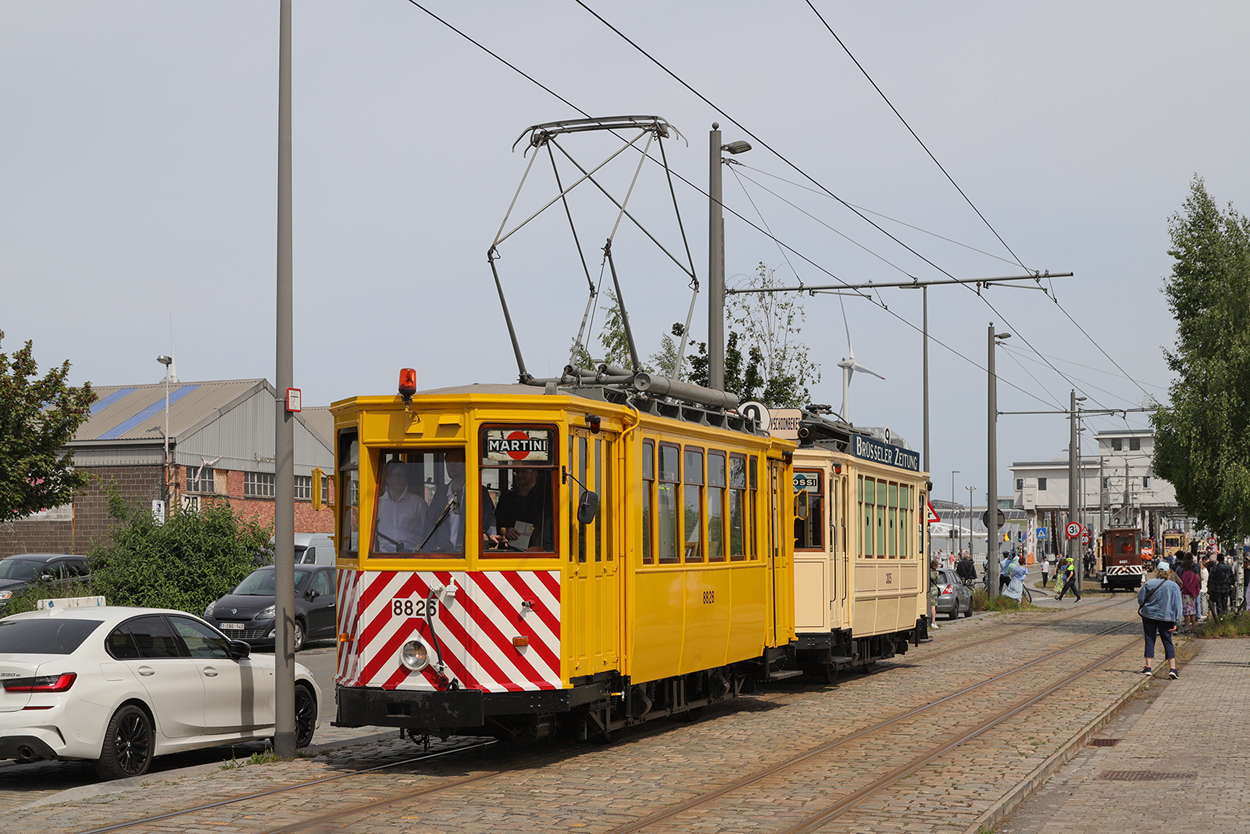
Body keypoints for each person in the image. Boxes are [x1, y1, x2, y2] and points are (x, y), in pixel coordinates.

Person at [493, 466, 554, 551]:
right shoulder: (506, 498)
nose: (520, 475)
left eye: (524, 471)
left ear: (534, 474)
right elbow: (496, 521)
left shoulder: (546, 498)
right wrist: (506, 530)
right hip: (512, 550)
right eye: (517, 472)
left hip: (541, 549)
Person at [1138, 566, 1182, 678]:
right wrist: (1177, 622)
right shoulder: (1174, 586)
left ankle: (1148, 667)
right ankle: (1173, 668)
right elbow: (1178, 605)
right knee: (1167, 640)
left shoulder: (1149, 583)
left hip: (1149, 615)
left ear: (1157, 571)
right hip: (1167, 616)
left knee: (1149, 639)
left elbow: (1140, 598)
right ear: (1169, 572)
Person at [375, 462, 428, 552]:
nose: (402, 480)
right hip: (384, 556)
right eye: (398, 476)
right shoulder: (378, 504)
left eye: (405, 476)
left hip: (412, 555)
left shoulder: (417, 503)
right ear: (388, 478)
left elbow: (429, 531)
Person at [1208, 552, 1235, 617]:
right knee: (1225, 602)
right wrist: (1231, 585)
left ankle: (1220, 617)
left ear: (1217, 559)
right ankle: (1225, 615)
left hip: (1217, 589)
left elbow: (1211, 578)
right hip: (1226, 588)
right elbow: (1232, 578)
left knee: (1218, 604)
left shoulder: (1215, 567)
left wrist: (1209, 587)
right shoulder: (1228, 567)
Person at [1178, 554, 1201, 631]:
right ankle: (1194, 627)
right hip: (1193, 595)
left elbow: (1185, 585)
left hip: (1187, 595)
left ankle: (1187, 627)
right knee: (1193, 612)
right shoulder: (1194, 575)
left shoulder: (1184, 574)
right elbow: (1197, 585)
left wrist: (1180, 590)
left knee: (1187, 613)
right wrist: (1196, 593)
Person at [928, 558, 940, 629]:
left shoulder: (927, 572)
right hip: (934, 590)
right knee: (933, 606)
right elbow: (936, 580)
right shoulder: (937, 573)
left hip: (928, 589)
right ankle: (933, 622)